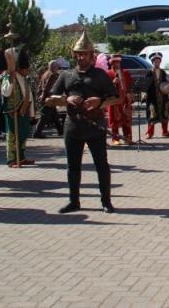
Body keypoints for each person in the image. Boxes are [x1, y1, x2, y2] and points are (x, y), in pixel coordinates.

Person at [46, 31, 119, 213]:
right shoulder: (66, 76)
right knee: (73, 166)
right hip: (73, 126)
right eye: (78, 54)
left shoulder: (101, 75)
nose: (81, 57)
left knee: (101, 165)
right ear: (74, 55)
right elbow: (49, 99)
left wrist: (100, 102)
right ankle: (74, 201)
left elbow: (116, 98)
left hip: (95, 125)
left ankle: (106, 201)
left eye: (84, 53)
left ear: (91, 55)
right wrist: (65, 100)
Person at [0, 48, 36, 167]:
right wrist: (10, 79)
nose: (27, 70)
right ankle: (12, 160)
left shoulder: (24, 78)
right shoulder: (7, 76)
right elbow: (6, 92)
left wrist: (32, 111)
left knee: (23, 135)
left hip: (23, 110)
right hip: (12, 111)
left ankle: (21, 157)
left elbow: (28, 95)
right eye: (25, 68)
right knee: (12, 135)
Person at [143, 52, 169, 138]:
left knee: (165, 113)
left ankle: (165, 131)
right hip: (152, 97)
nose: (157, 63)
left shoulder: (163, 72)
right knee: (152, 114)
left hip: (163, 96)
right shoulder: (149, 72)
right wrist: (144, 93)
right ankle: (150, 133)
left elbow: (166, 83)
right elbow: (145, 85)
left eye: (158, 61)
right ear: (152, 62)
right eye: (155, 62)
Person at [107, 54, 134, 145]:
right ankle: (115, 139)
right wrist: (112, 83)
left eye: (118, 62)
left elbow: (130, 84)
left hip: (125, 99)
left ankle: (128, 138)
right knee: (114, 119)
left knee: (126, 118)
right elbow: (105, 87)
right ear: (111, 64)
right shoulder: (108, 73)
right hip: (114, 100)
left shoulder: (125, 72)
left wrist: (130, 94)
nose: (117, 64)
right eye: (114, 63)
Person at [34, 60, 62, 138]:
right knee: (44, 116)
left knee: (54, 114)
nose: (57, 68)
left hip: (46, 97)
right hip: (47, 98)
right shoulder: (52, 75)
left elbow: (40, 85)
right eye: (56, 66)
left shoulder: (46, 73)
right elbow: (47, 87)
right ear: (53, 67)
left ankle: (61, 130)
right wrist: (43, 96)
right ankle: (37, 132)